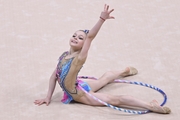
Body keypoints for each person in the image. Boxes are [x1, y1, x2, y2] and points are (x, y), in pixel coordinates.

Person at [34, 4, 171, 114]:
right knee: (102, 80)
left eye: (80, 38)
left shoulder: (79, 58)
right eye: (74, 35)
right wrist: (47, 97)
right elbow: (53, 77)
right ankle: (124, 71)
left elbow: (90, 37)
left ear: (84, 44)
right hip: (79, 84)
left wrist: (101, 19)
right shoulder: (64, 55)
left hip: (80, 94)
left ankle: (151, 105)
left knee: (115, 100)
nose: (76, 38)